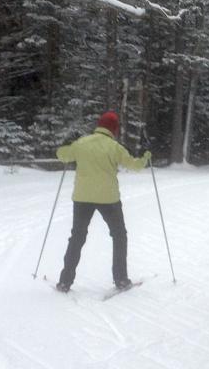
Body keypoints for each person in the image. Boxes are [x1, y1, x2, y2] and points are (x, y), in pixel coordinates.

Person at [55, 111, 151, 292]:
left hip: (82, 198)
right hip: (109, 199)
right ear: (113, 129)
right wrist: (146, 156)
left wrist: (65, 144)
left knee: (77, 237)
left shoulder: (81, 143)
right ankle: (121, 279)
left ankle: (65, 281)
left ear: (99, 125)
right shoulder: (114, 147)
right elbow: (135, 165)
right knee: (119, 235)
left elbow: (62, 155)